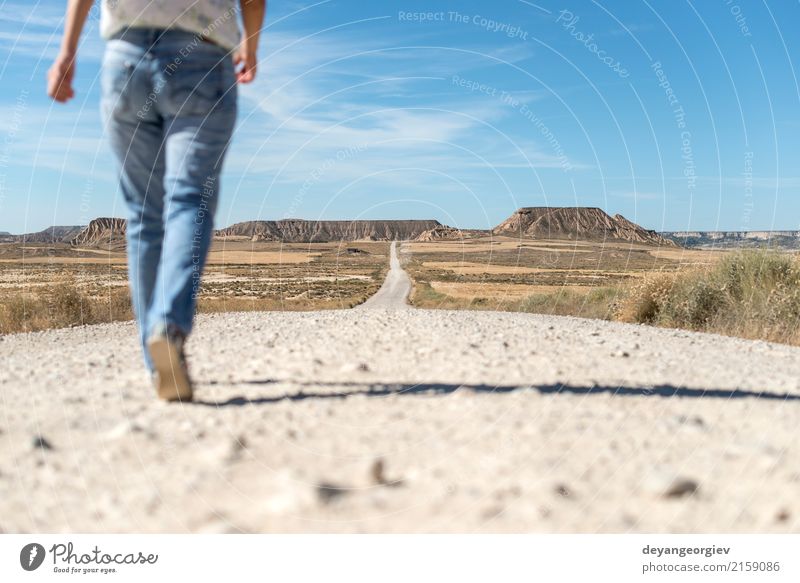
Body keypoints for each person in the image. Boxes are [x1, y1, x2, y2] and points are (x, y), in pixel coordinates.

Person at [47, 0, 266, 402]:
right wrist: (249, 47)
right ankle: (168, 328)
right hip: (202, 56)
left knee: (144, 214)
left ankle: (157, 364)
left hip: (125, 60)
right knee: (188, 199)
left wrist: (66, 53)